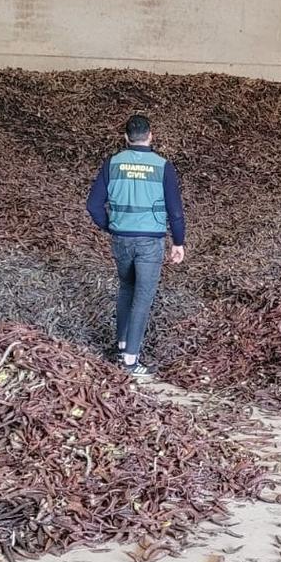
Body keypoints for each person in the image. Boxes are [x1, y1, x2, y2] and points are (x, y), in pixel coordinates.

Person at [86, 115, 185, 377]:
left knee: (126, 288)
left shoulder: (113, 163)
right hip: (150, 241)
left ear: (126, 137)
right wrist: (178, 241)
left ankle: (121, 346)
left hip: (122, 239)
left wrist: (110, 226)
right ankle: (130, 360)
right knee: (143, 296)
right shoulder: (162, 166)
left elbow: (93, 205)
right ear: (150, 135)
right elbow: (175, 210)